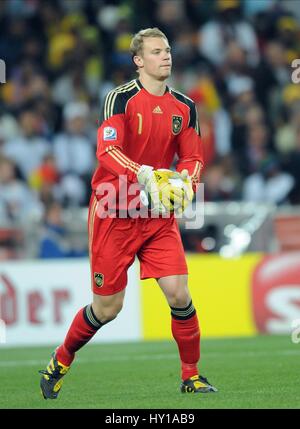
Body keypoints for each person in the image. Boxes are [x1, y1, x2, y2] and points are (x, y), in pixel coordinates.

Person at [39, 27, 217, 399]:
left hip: (155, 215)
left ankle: (192, 376)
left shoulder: (184, 106)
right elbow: (107, 151)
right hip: (113, 211)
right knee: (108, 308)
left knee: (179, 294)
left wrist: (187, 181)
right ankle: (61, 358)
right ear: (138, 61)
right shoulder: (119, 100)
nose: (165, 56)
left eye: (167, 50)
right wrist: (144, 174)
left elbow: (193, 156)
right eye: (156, 52)